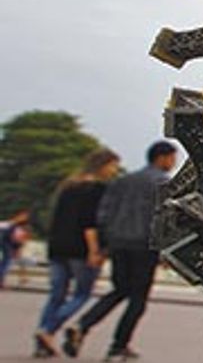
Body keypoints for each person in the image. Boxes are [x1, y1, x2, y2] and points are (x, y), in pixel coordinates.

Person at [63, 141, 176, 361]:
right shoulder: (163, 183)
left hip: (119, 243)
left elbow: (103, 215)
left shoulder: (122, 181)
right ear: (162, 158)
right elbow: (167, 218)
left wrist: (106, 244)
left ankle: (82, 325)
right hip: (144, 245)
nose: (173, 163)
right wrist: (167, 249)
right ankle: (118, 345)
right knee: (138, 299)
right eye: (173, 158)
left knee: (120, 289)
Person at [33, 148, 120, 358]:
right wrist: (95, 250)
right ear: (104, 165)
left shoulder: (68, 186)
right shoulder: (98, 189)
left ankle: (42, 339)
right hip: (80, 248)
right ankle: (48, 330)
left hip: (57, 245)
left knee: (56, 295)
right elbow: (89, 223)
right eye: (113, 166)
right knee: (82, 293)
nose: (114, 171)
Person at [1, 210, 32, 289]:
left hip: (10, 245)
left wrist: (18, 247)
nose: (25, 217)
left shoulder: (21, 226)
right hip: (8, 245)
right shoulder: (13, 225)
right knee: (6, 263)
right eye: (23, 215)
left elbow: (21, 239)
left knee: (6, 262)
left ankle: (2, 280)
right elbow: (12, 237)